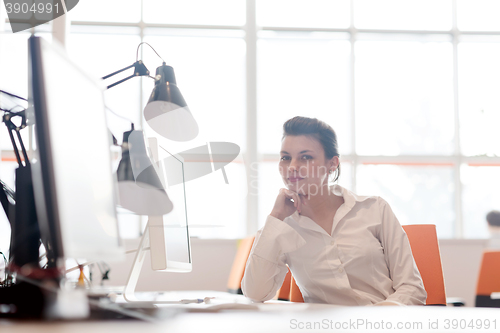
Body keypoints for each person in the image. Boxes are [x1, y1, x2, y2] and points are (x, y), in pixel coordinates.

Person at [242, 116, 426, 306]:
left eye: (306, 157)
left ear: (332, 164)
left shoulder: (375, 209)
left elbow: (412, 288)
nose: (293, 167)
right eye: (285, 158)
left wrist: (373, 320)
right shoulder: (283, 227)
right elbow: (256, 293)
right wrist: (275, 217)